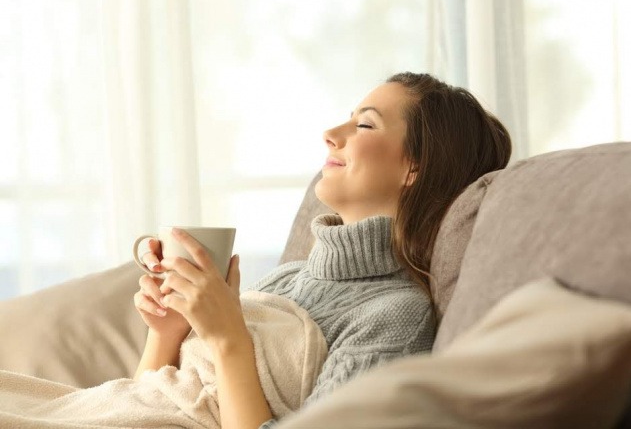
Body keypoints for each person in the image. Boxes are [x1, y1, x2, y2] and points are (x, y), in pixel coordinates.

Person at [134, 72, 512, 429]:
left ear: (415, 165)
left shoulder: (396, 317)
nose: (330, 134)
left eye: (364, 125)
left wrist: (228, 338)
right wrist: (167, 332)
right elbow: (142, 404)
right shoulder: (287, 278)